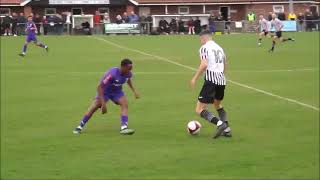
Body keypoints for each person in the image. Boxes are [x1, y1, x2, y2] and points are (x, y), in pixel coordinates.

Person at [73, 59, 140, 135]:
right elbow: (99, 87)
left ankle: (124, 127)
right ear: (123, 67)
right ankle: (79, 127)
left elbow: (128, 79)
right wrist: (103, 104)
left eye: (131, 68)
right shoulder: (112, 74)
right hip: (104, 92)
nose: (130, 70)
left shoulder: (128, 73)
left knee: (125, 104)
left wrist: (134, 91)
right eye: (129, 68)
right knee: (94, 106)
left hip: (117, 91)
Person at [190, 30, 231, 139]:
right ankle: (227, 129)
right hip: (222, 80)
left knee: (199, 109)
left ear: (203, 38)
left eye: (200, 40)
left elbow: (204, 64)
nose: (200, 42)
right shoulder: (220, 48)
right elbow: (225, 64)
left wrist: (194, 78)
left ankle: (220, 124)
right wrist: (221, 76)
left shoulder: (204, 48)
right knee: (217, 104)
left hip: (211, 81)